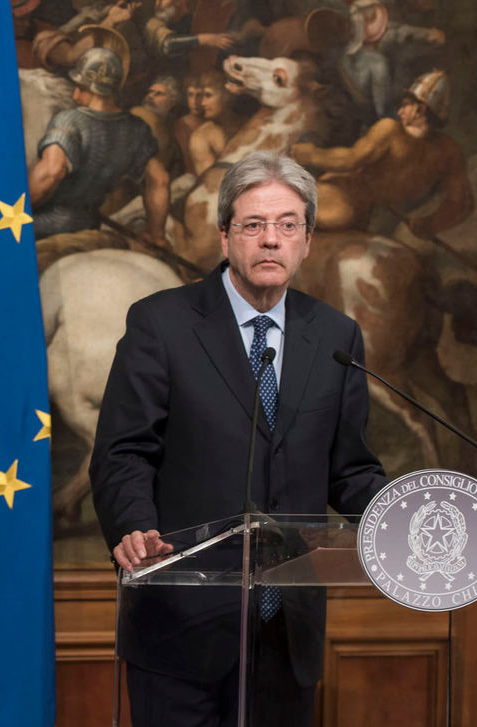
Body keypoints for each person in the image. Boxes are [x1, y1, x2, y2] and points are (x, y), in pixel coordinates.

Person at [90, 151, 385, 726]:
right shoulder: (161, 324)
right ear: (225, 237)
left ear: (306, 240)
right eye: (253, 225)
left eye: (287, 225)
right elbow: (124, 452)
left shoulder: (335, 335)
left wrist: (405, 516)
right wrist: (133, 526)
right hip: (181, 626)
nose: (270, 240)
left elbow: (350, 470)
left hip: (286, 634)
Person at [290, 69, 472, 240]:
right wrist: (429, 224)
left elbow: (350, 160)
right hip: (365, 209)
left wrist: (312, 154)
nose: (400, 111)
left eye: (406, 105)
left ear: (420, 110)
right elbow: (461, 203)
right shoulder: (449, 150)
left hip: (357, 207)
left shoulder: (390, 130)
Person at [28, 46, 169, 245]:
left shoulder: (70, 121)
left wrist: (14, 210)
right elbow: (160, 180)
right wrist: (157, 236)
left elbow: (51, 171)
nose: (76, 95)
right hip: (90, 223)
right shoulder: (137, 129)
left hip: (50, 224)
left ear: (93, 88)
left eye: (81, 88)